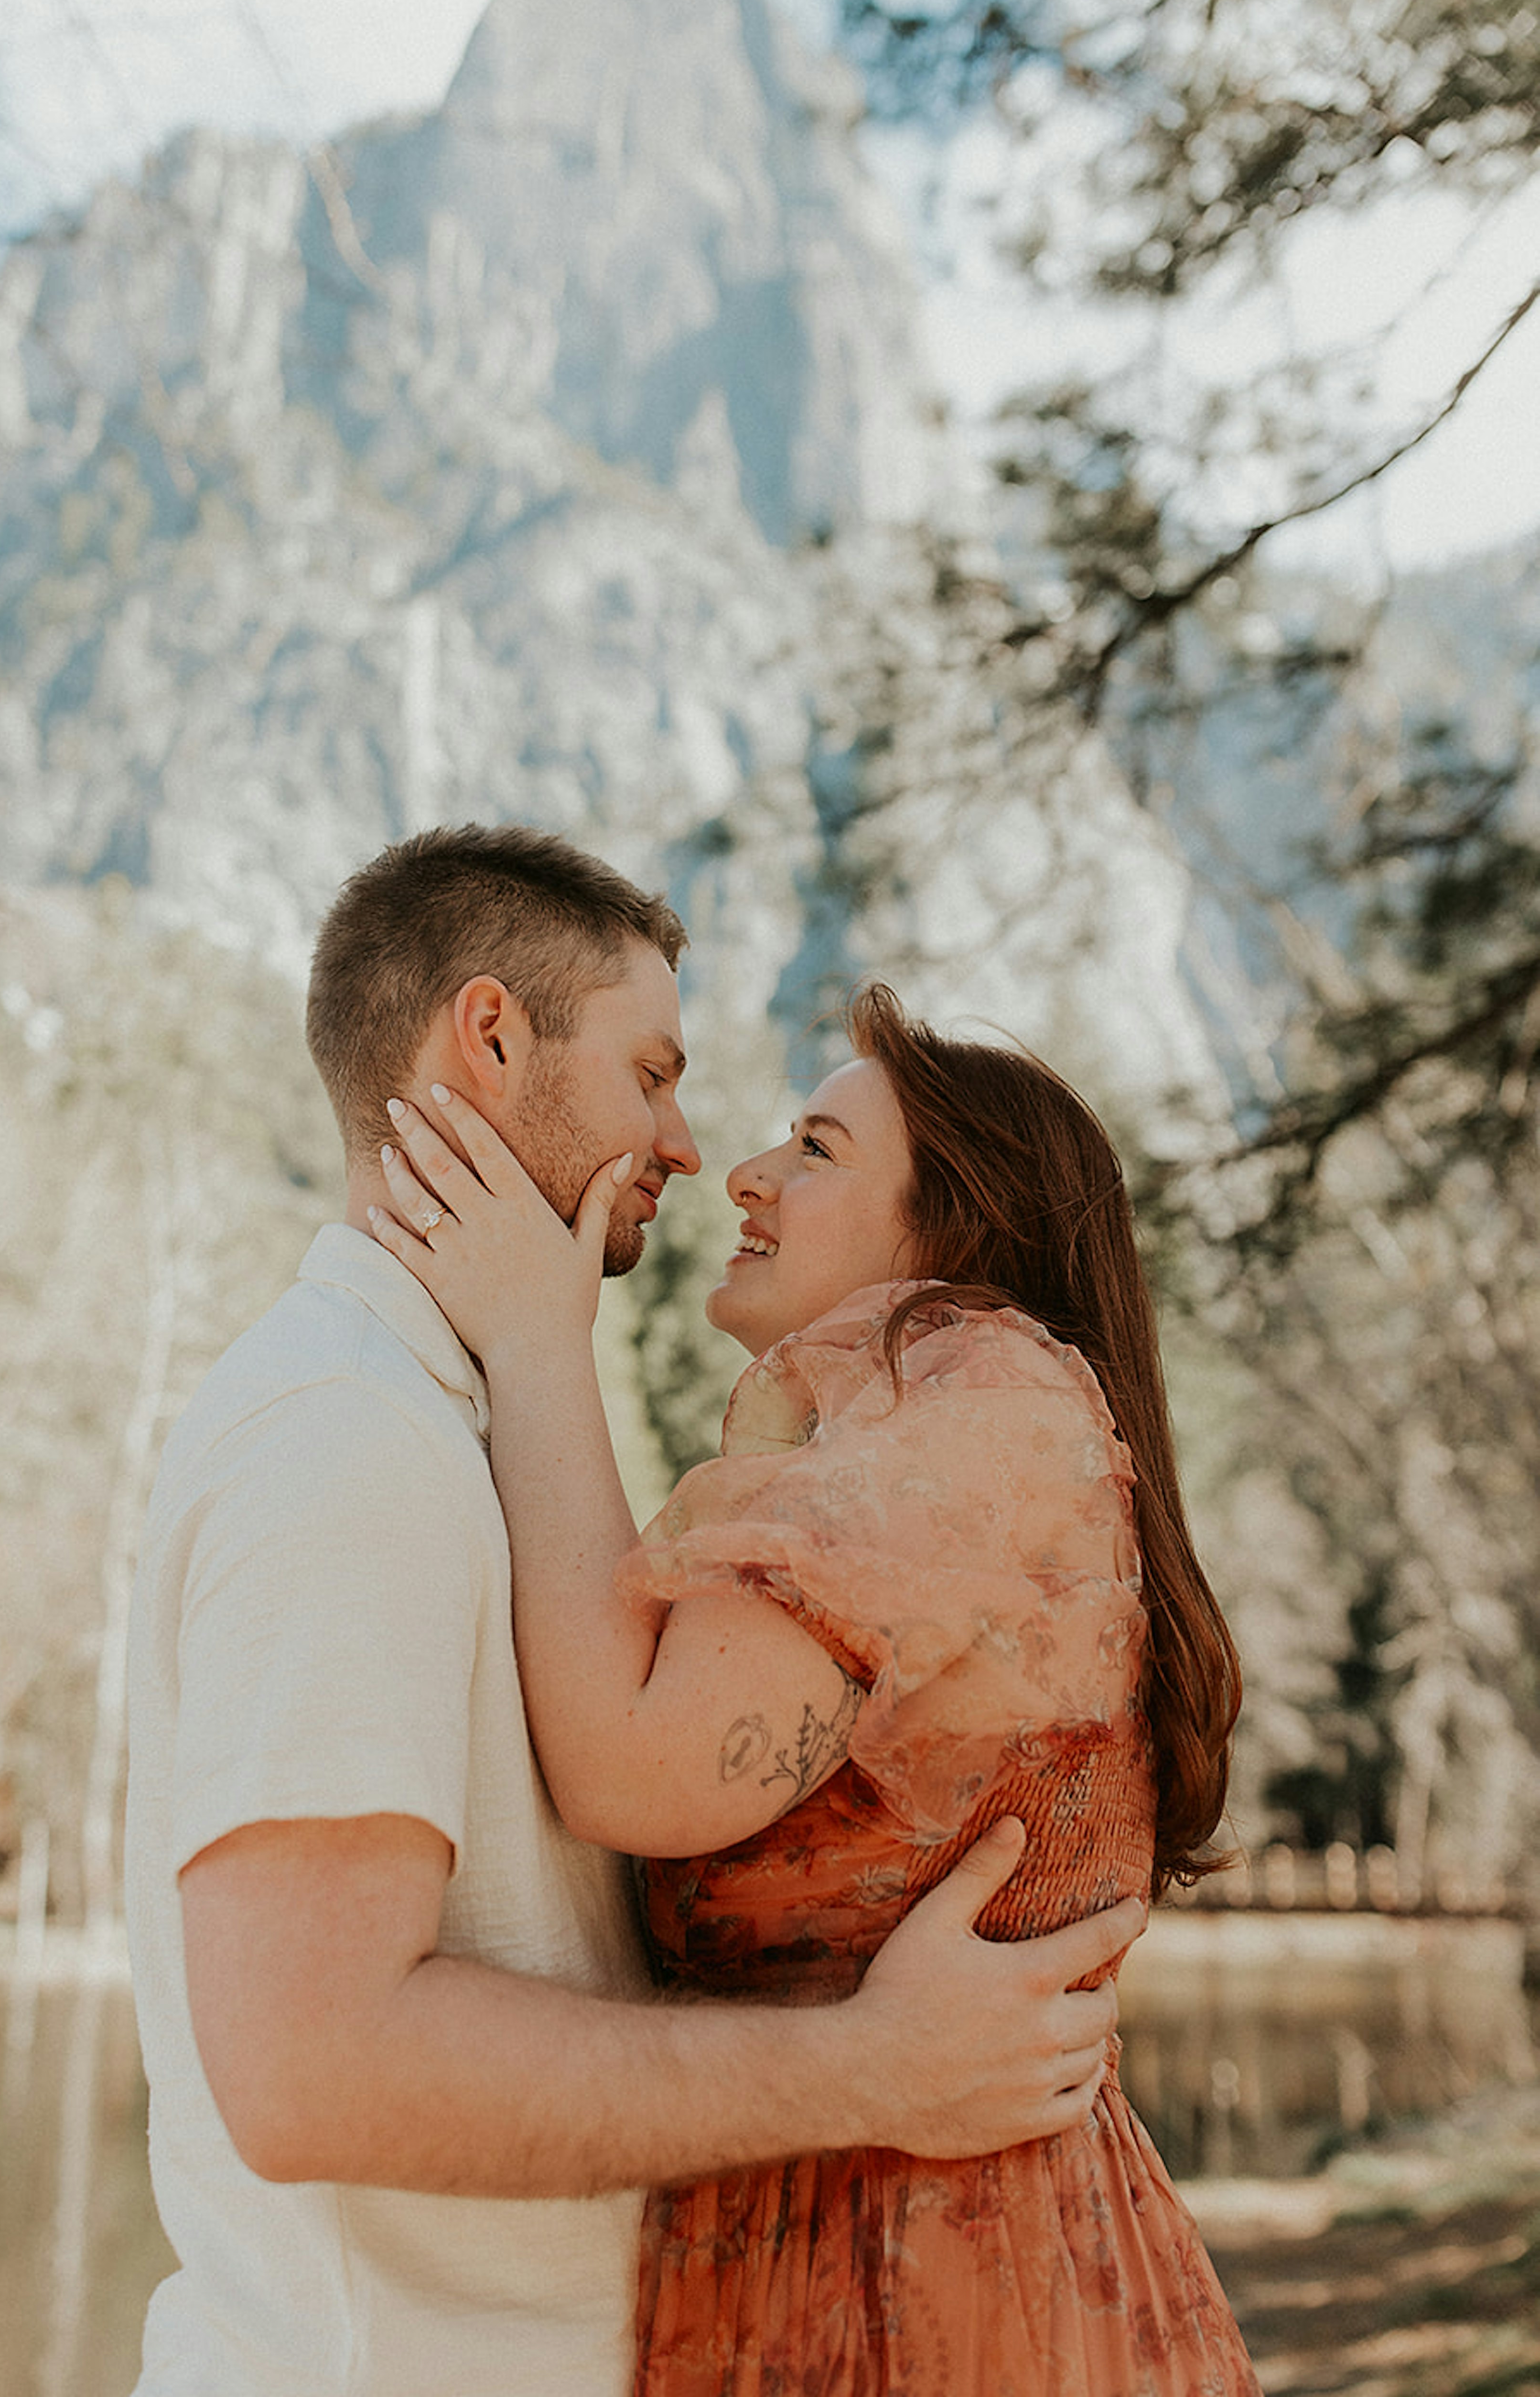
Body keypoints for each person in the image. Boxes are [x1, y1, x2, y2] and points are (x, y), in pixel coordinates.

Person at [124, 827, 1147, 2397]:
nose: (689, 1144)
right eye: (652, 1073)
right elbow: (310, 2067)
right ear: (489, 1037)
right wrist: (868, 2070)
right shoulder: (344, 1439)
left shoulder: (461, 1428)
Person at [371, 972, 1261, 2394]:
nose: (746, 1172)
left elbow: (632, 1766)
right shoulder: (918, 1437)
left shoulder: (989, 1407)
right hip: (847, 2235)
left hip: (939, 2279)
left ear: (954, 1225)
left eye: (818, 1149)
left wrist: (540, 1340)